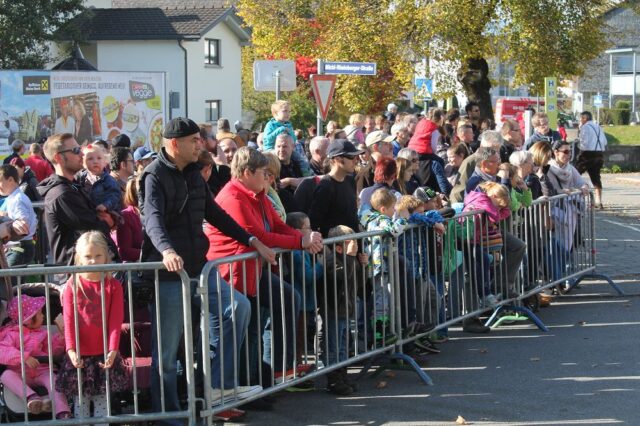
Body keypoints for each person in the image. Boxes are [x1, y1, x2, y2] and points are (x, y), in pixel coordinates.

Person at [139, 118, 272, 421]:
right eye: (194, 140)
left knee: (237, 308)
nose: (201, 144)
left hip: (200, 269)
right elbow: (153, 220)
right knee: (168, 355)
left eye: (200, 139)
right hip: (169, 276)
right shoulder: (153, 176)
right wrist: (167, 250)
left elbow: (215, 214)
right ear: (175, 144)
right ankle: (169, 416)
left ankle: (219, 388)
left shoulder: (194, 175)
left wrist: (252, 239)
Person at [205, 147, 322, 390]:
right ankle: (244, 383)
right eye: (263, 173)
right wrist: (301, 242)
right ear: (247, 172)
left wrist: (305, 237)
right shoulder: (233, 198)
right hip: (232, 274)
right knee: (248, 329)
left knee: (288, 298)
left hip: (251, 270)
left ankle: (279, 368)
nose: (268, 178)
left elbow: (278, 226)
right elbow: (257, 235)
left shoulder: (258, 194)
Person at [56, 231, 129, 422]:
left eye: (98, 256)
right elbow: (69, 320)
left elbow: (115, 321)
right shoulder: (73, 285)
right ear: (79, 258)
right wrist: (71, 349)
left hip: (104, 356)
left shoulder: (114, 286)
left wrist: (113, 349)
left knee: (102, 406)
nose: (93, 261)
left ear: (106, 256)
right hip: (79, 356)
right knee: (80, 405)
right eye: (88, 256)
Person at [37, 133, 114, 266]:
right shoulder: (62, 194)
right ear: (59, 157)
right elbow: (91, 227)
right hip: (77, 274)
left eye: (80, 149)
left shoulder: (73, 186)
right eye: (76, 150)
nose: (82, 155)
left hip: (89, 269)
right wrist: (108, 222)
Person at [0, 295, 71, 419]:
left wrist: (60, 338)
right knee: (6, 375)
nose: (43, 316)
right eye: (39, 314)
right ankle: (32, 398)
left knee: (54, 380)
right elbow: (3, 350)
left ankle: (63, 411)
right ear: (28, 319)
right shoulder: (11, 334)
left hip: (41, 371)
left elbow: (51, 352)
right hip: (21, 373)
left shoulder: (43, 334)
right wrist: (24, 357)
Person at [359, 188, 408, 343]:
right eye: (393, 208)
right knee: (382, 299)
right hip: (379, 264)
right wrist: (403, 218)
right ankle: (381, 334)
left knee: (382, 298)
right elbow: (394, 230)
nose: (394, 211)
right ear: (383, 209)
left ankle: (382, 331)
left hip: (375, 263)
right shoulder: (381, 220)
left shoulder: (367, 216)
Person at [319, 225, 360, 395]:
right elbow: (340, 278)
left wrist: (362, 265)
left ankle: (343, 375)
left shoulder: (350, 259)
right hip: (333, 310)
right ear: (338, 246)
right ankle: (333, 380)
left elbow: (359, 283)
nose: (355, 246)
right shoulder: (332, 261)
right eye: (351, 243)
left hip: (346, 309)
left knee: (344, 346)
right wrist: (350, 258)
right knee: (333, 346)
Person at [309, 140, 364, 238]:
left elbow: (353, 218)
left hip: (353, 246)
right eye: (351, 157)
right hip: (335, 249)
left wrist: (359, 249)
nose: (356, 160)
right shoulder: (325, 187)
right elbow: (314, 223)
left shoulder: (350, 180)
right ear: (338, 159)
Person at [0, 165, 37, 267]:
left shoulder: (18, 199)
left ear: (11, 179)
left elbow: (22, 223)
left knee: (11, 282)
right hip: (18, 247)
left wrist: (9, 224)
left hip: (20, 248)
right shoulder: (13, 198)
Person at [262, 100, 311, 176]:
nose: (288, 114)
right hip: (271, 149)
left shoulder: (288, 124)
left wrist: (290, 132)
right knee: (273, 161)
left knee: (300, 158)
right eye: (285, 111)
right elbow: (267, 139)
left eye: (289, 111)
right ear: (275, 113)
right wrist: (280, 130)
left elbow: (294, 140)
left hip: (286, 148)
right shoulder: (270, 125)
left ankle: (306, 175)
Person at [77, 143, 122, 213]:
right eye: (90, 158)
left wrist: (106, 205)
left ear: (105, 162)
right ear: (84, 163)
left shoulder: (109, 180)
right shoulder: (81, 177)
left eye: (99, 158)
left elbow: (114, 195)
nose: (95, 161)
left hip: (106, 212)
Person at [575, 111, 607, 208]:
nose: (580, 120)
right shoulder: (598, 127)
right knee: (596, 177)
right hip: (599, 154)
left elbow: (584, 143)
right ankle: (598, 201)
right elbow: (604, 142)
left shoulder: (585, 127)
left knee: (575, 174)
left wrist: (578, 145)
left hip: (587, 154)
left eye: (581, 118)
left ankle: (575, 198)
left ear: (584, 118)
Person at [112, 177, 142, 262]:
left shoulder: (156, 213)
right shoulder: (126, 216)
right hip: (135, 268)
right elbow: (124, 251)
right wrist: (153, 254)